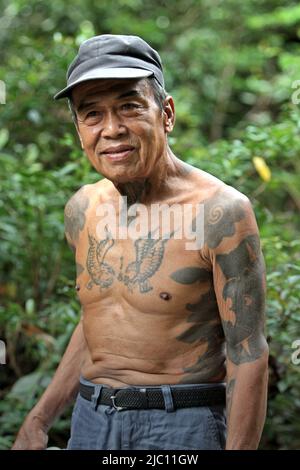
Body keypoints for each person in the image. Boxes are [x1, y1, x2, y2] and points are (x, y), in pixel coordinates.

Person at [12, 34, 269, 450]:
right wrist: (39, 419)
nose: (112, 129)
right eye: (91, 114)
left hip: (182, 423)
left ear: (165, 113)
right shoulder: (83, 209)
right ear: (79, 130)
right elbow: (99, 322)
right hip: (91, 419)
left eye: (129, 106)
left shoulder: (220, 212)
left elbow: (248, 351)